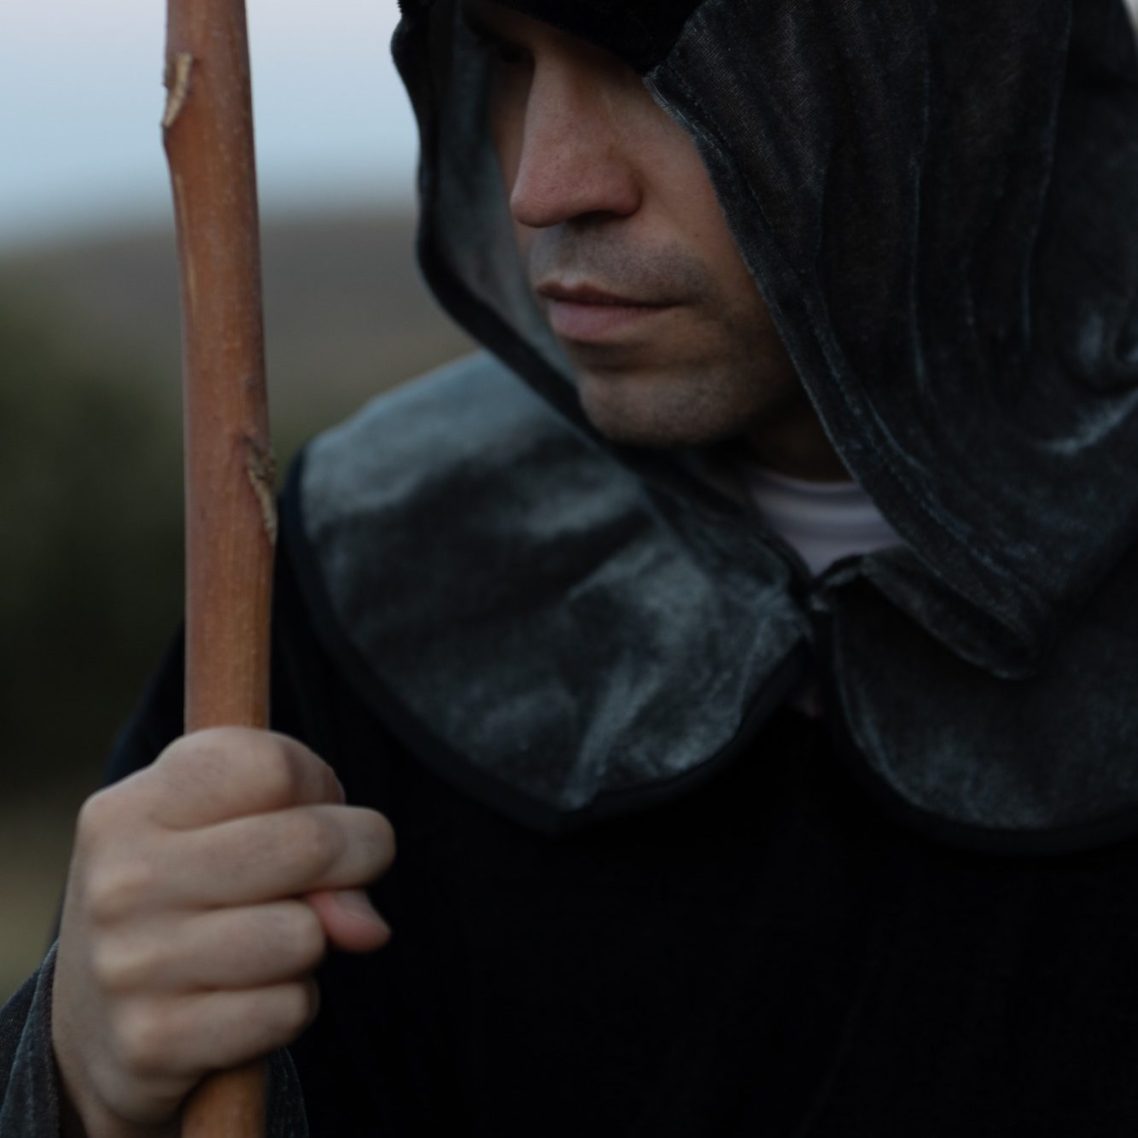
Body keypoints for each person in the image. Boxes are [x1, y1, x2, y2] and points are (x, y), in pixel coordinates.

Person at [3, 0, 1138, 1133]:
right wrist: (81, 1083)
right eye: (504, 57)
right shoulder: (377, 545)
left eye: (650, 69)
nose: (542, 188)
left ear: (945, 67)